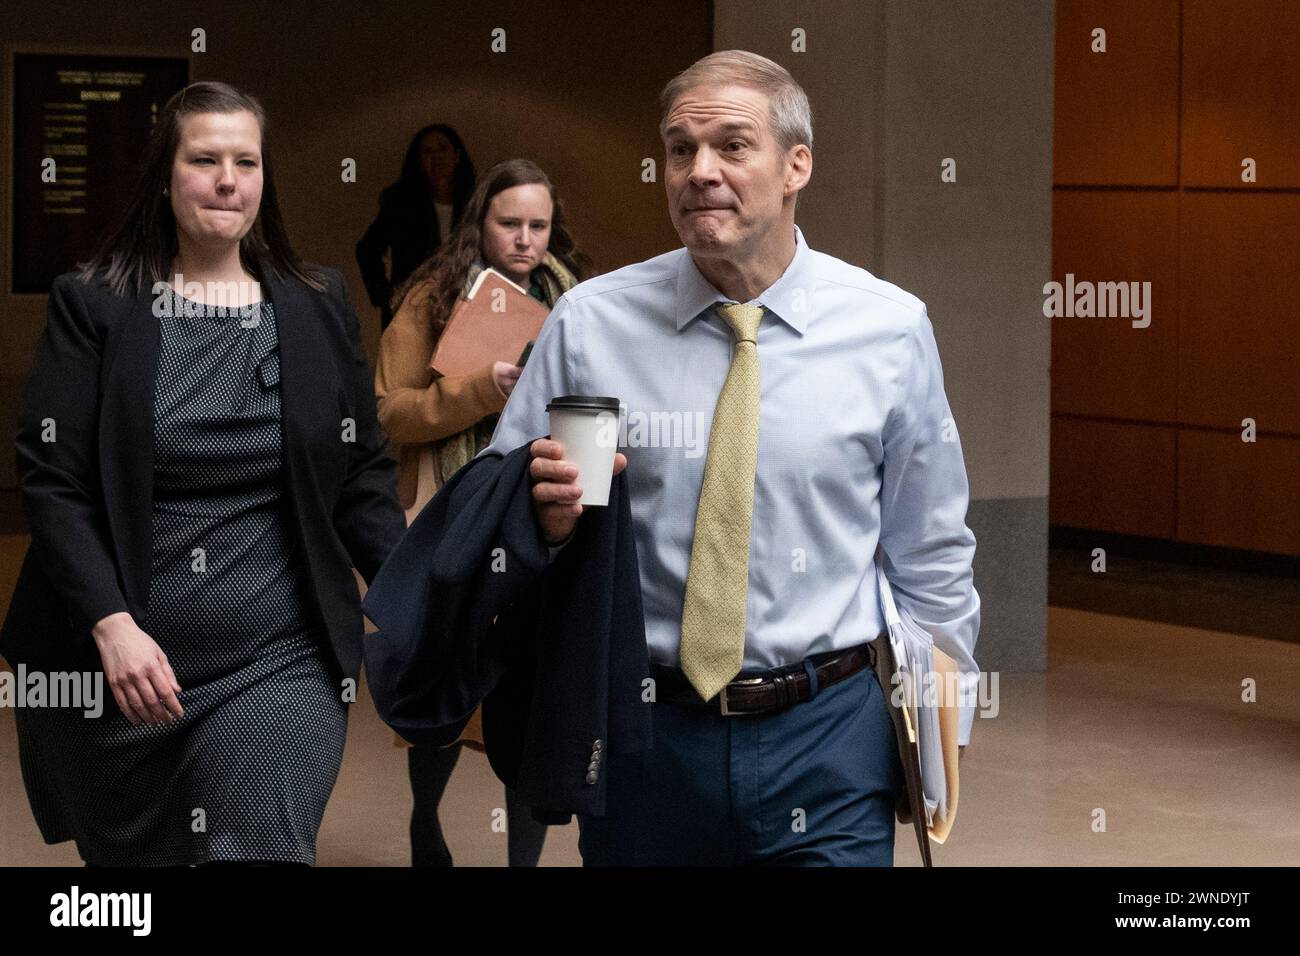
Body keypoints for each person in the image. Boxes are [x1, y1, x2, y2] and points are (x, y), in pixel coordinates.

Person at [479, 50, 979, 866]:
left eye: (731, 147)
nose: (699, 171)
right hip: (645, 736)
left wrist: (934, 729)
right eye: (681, 150)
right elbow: (513, 522)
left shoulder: (887, 331)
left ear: (796, 166)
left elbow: (930, 552)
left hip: (830, 740)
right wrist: (545, 517)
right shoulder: (592, 327)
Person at [0, 81, 406, 866]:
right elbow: (54, 482)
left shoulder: (317, 302)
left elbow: (360, 476)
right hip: (118, 672)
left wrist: (414, 595)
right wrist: (111, 625)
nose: (228, 179)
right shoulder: (94, 302)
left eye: (246, 161)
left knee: (253, 848)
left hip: (277, 657)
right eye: (205, 159)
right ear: (165, 177)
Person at [374, 158, 592, 866]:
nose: (525, 240)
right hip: (452, 512)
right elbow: (388, 414)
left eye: (539, 225)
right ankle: (424, 821)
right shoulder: (430, 297)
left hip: (547, 515)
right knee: (448, 683)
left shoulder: (581, 300)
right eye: (510, 224)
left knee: (528, 691)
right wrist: (481, 389)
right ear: (480, 222)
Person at [356, 124, 476, 329]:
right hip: (413, 309)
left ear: (457, 156)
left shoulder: (476, 202)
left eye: (442, 149)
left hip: (464, 307)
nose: (436, 157)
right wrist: (386, 296)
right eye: (428, 151)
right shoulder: (400, 203)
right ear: (419, 161)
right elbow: (367, 250)